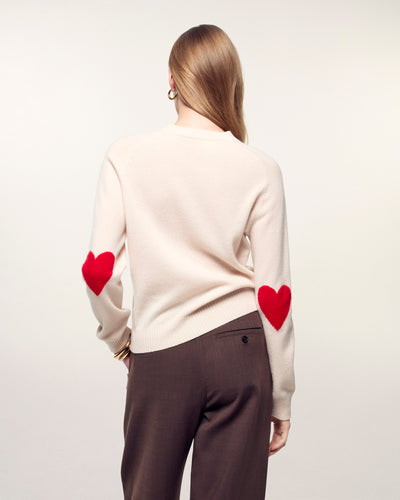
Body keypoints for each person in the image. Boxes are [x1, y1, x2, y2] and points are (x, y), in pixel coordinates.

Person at [81, 24, 295, 500]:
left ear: (173, 80)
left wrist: (120, 341)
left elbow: (98, 273)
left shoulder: (126, 156)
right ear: (230, 83)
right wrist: (281, 393)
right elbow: (274, 294)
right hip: (240, 351)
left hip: (160, 353)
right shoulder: (260, 168)